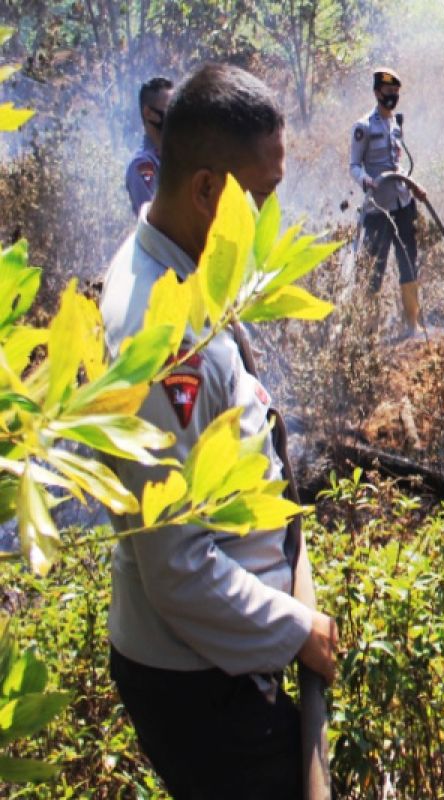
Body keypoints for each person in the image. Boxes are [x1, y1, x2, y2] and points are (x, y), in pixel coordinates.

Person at [99, 63, 337, 798]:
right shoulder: (160, 334)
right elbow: (176, 568)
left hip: (222, 658)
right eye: (260, 198)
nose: (269, 220)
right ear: (207, 190)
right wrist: (296, 632)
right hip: (204, 686)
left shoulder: (177, 259)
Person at [350, 67, 426, 334]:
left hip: (402, 205)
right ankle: (370, 332)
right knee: (374, 269)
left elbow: (398, 164)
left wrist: (413, 186)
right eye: (387, 92)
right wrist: (366, 181)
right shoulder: (363, 127)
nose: (392, 97)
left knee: (408, 262)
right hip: (376, 209)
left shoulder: (396, 124)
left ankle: (411, 325)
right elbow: (354, 166)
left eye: (395, 92)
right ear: (376, 93)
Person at [125, 76, 173, 215]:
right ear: (148, 113)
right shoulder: (142, 165)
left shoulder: (177, 156)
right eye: (169, 108)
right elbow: (153, 221)